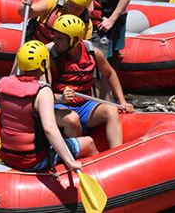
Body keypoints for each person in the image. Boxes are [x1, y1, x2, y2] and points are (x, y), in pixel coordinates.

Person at [0, 41, 96, 171]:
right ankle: (100, 176)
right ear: (43, 64)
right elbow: (49, 129)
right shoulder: (42, 92)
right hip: (33, 161)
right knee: (88, 142)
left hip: (7, 155)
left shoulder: (4, 84)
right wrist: (69, 161)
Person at [47, 15, 133, 148]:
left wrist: (122, 101)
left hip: (84, 106)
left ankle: (117, 154)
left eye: (59, 38)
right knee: (72, 119)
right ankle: (79, 155)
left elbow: (110, 74)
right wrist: (60, 98)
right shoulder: (51, 58)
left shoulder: (93, 53)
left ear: (74, 40)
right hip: (58, 107)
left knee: (111, 110)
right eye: (55, 37)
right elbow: (42, 92)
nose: (54, 41)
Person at [20, 0, 94, 43]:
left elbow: (82, 48)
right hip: (36, 46)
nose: (73, 10)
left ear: (85, 8)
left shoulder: (87, 24)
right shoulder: (54, 2)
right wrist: (25, 6)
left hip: (58, 57)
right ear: (67, 0)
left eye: (78, 8)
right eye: (71, 5)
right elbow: (24, 14)